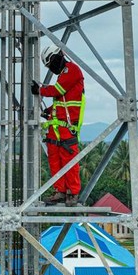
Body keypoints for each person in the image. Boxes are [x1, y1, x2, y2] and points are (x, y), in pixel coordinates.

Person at [30, 45, 85, 207]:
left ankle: (72, 192)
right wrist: (48, 111)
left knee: (69, 160)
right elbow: (62, 102)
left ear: (59, 56)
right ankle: (60, 190)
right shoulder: (62, 75)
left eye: (51, 63)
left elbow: (58, 90)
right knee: (55, 160)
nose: (51, 68)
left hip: (67, 127)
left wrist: (40, 90)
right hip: (56, 128)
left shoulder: (72, 70)